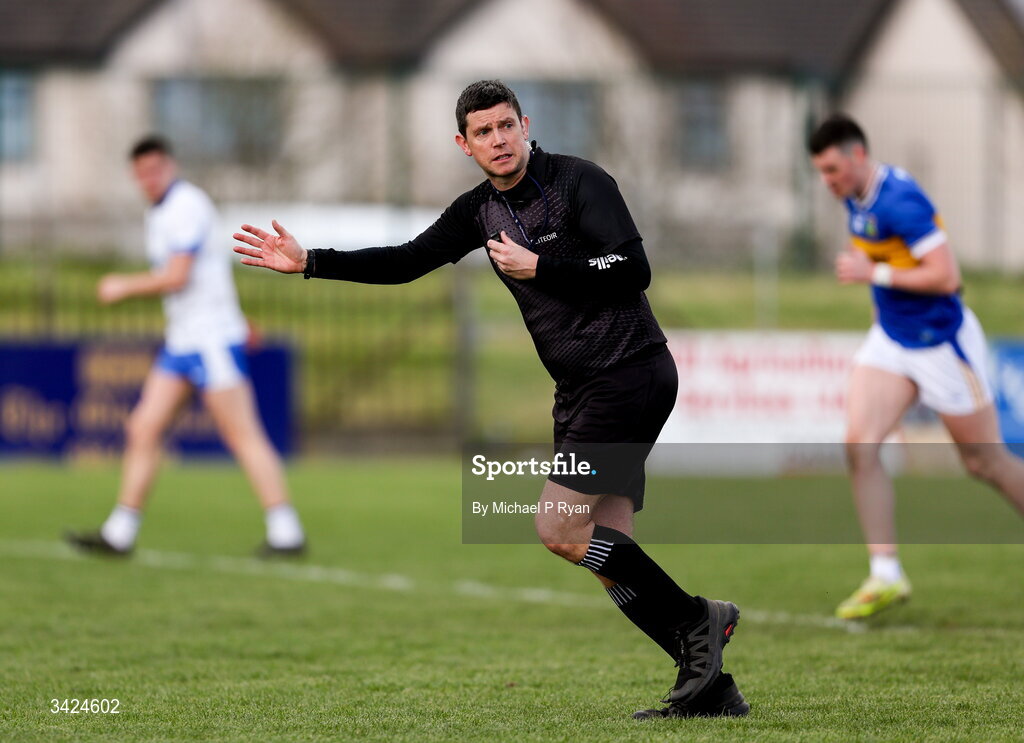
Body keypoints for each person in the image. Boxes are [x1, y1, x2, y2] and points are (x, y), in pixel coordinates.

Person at [233, 80, 746, 719]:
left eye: (506, 126)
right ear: (464, 144)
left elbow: (633, 269)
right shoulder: (479, 211)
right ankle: (709, 687)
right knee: (607, 550)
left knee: (558, 528)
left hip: (631, 373)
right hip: (581, 391)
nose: (498, 140)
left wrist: (543, 267)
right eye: (483, 132)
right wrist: (310, 261)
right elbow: (405, 261)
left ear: (525, 124)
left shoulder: (580, 181)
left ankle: (702, 619)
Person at [808, 114, 1024, 619]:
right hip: (892, 340)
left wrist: (873, 272)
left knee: (984, 463)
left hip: (942, 344)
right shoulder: (853, 196)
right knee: (859, 445)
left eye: (834, 169)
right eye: (821, 172)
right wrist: (879, 299)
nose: (828, 181)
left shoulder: (900, 201)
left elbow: (947, 276)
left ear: (858, 155)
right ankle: (886, 574)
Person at [66, 136, 306, 558]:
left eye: (156, 169)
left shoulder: (186, 205)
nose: (149, 178)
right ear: (134, 176)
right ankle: (119, 532)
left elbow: (178, 276)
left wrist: (123, 285)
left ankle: (286, 531)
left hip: (210, 340)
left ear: (170, 166)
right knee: (143, 428)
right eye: (142, 172)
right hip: (182, 341)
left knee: (242, 434)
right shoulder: (159, 212)